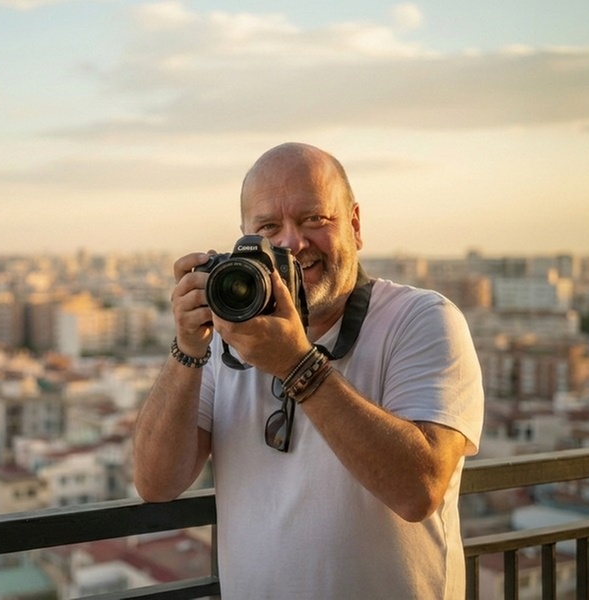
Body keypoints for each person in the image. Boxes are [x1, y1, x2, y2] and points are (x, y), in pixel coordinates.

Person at [132, 142, 484, 598]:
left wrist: (296, 363)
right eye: (268, 227)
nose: (291, 243)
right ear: (245, 239)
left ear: (354, 225)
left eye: (314, 219)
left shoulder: (422, 319)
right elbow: (156, 483)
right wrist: (187, 346)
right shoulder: (226, 336)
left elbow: (419, 490)